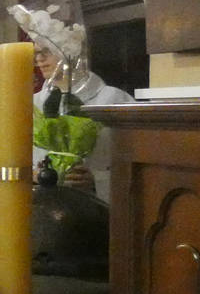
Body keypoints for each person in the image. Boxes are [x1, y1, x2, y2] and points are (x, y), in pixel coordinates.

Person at [30, 40, 131, 197]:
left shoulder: (114, 99)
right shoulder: (32, 104)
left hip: (97, 204)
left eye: (47, 51)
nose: (40, 59)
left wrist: (98, 181)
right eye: (36, 53)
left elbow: (138, 166)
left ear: (72, 50)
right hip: (44, 201)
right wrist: (36, 175)